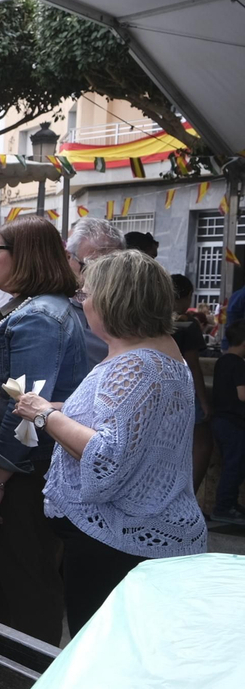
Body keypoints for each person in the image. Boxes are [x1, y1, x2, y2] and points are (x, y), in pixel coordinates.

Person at [13, 250, 206, 634]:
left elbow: (107, 455)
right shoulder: (160, 353)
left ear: (113, 299)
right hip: (144, 536)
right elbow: (130, 423)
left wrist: (44, 415)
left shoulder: (134, 364)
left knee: (106, 657)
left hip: (121, 543)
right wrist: (59, 410)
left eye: (86, 294)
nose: (82, 303)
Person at [0, 215, 89, 644]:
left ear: (24, 257)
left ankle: (25, 683)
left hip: (24, 473)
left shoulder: (41, 316)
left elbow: (25, 408)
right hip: (21, 468)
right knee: (8, 583)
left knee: (27, 587)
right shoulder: (37, 308)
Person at [170, 274, 213, 492]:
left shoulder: (152, 319)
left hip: (161, 389)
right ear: (186, 296)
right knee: (202, 440)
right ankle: (190, 494)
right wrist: (204, 401)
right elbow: (194, 365)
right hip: (184, 390)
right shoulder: (187, 324)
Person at [64, 217, 124, 366]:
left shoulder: (130, 304)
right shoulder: (53, 307)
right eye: (90, 267)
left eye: (110, 268)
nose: (100, 278)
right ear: (68, 257)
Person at [209, 322, 245, 523]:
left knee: (230, 464)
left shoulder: (222, 361)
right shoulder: (239, 364)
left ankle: (229, 504)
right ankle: (224, 506)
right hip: (234, 424)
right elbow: (242, 394)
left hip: (220, 421)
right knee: (235, 465)